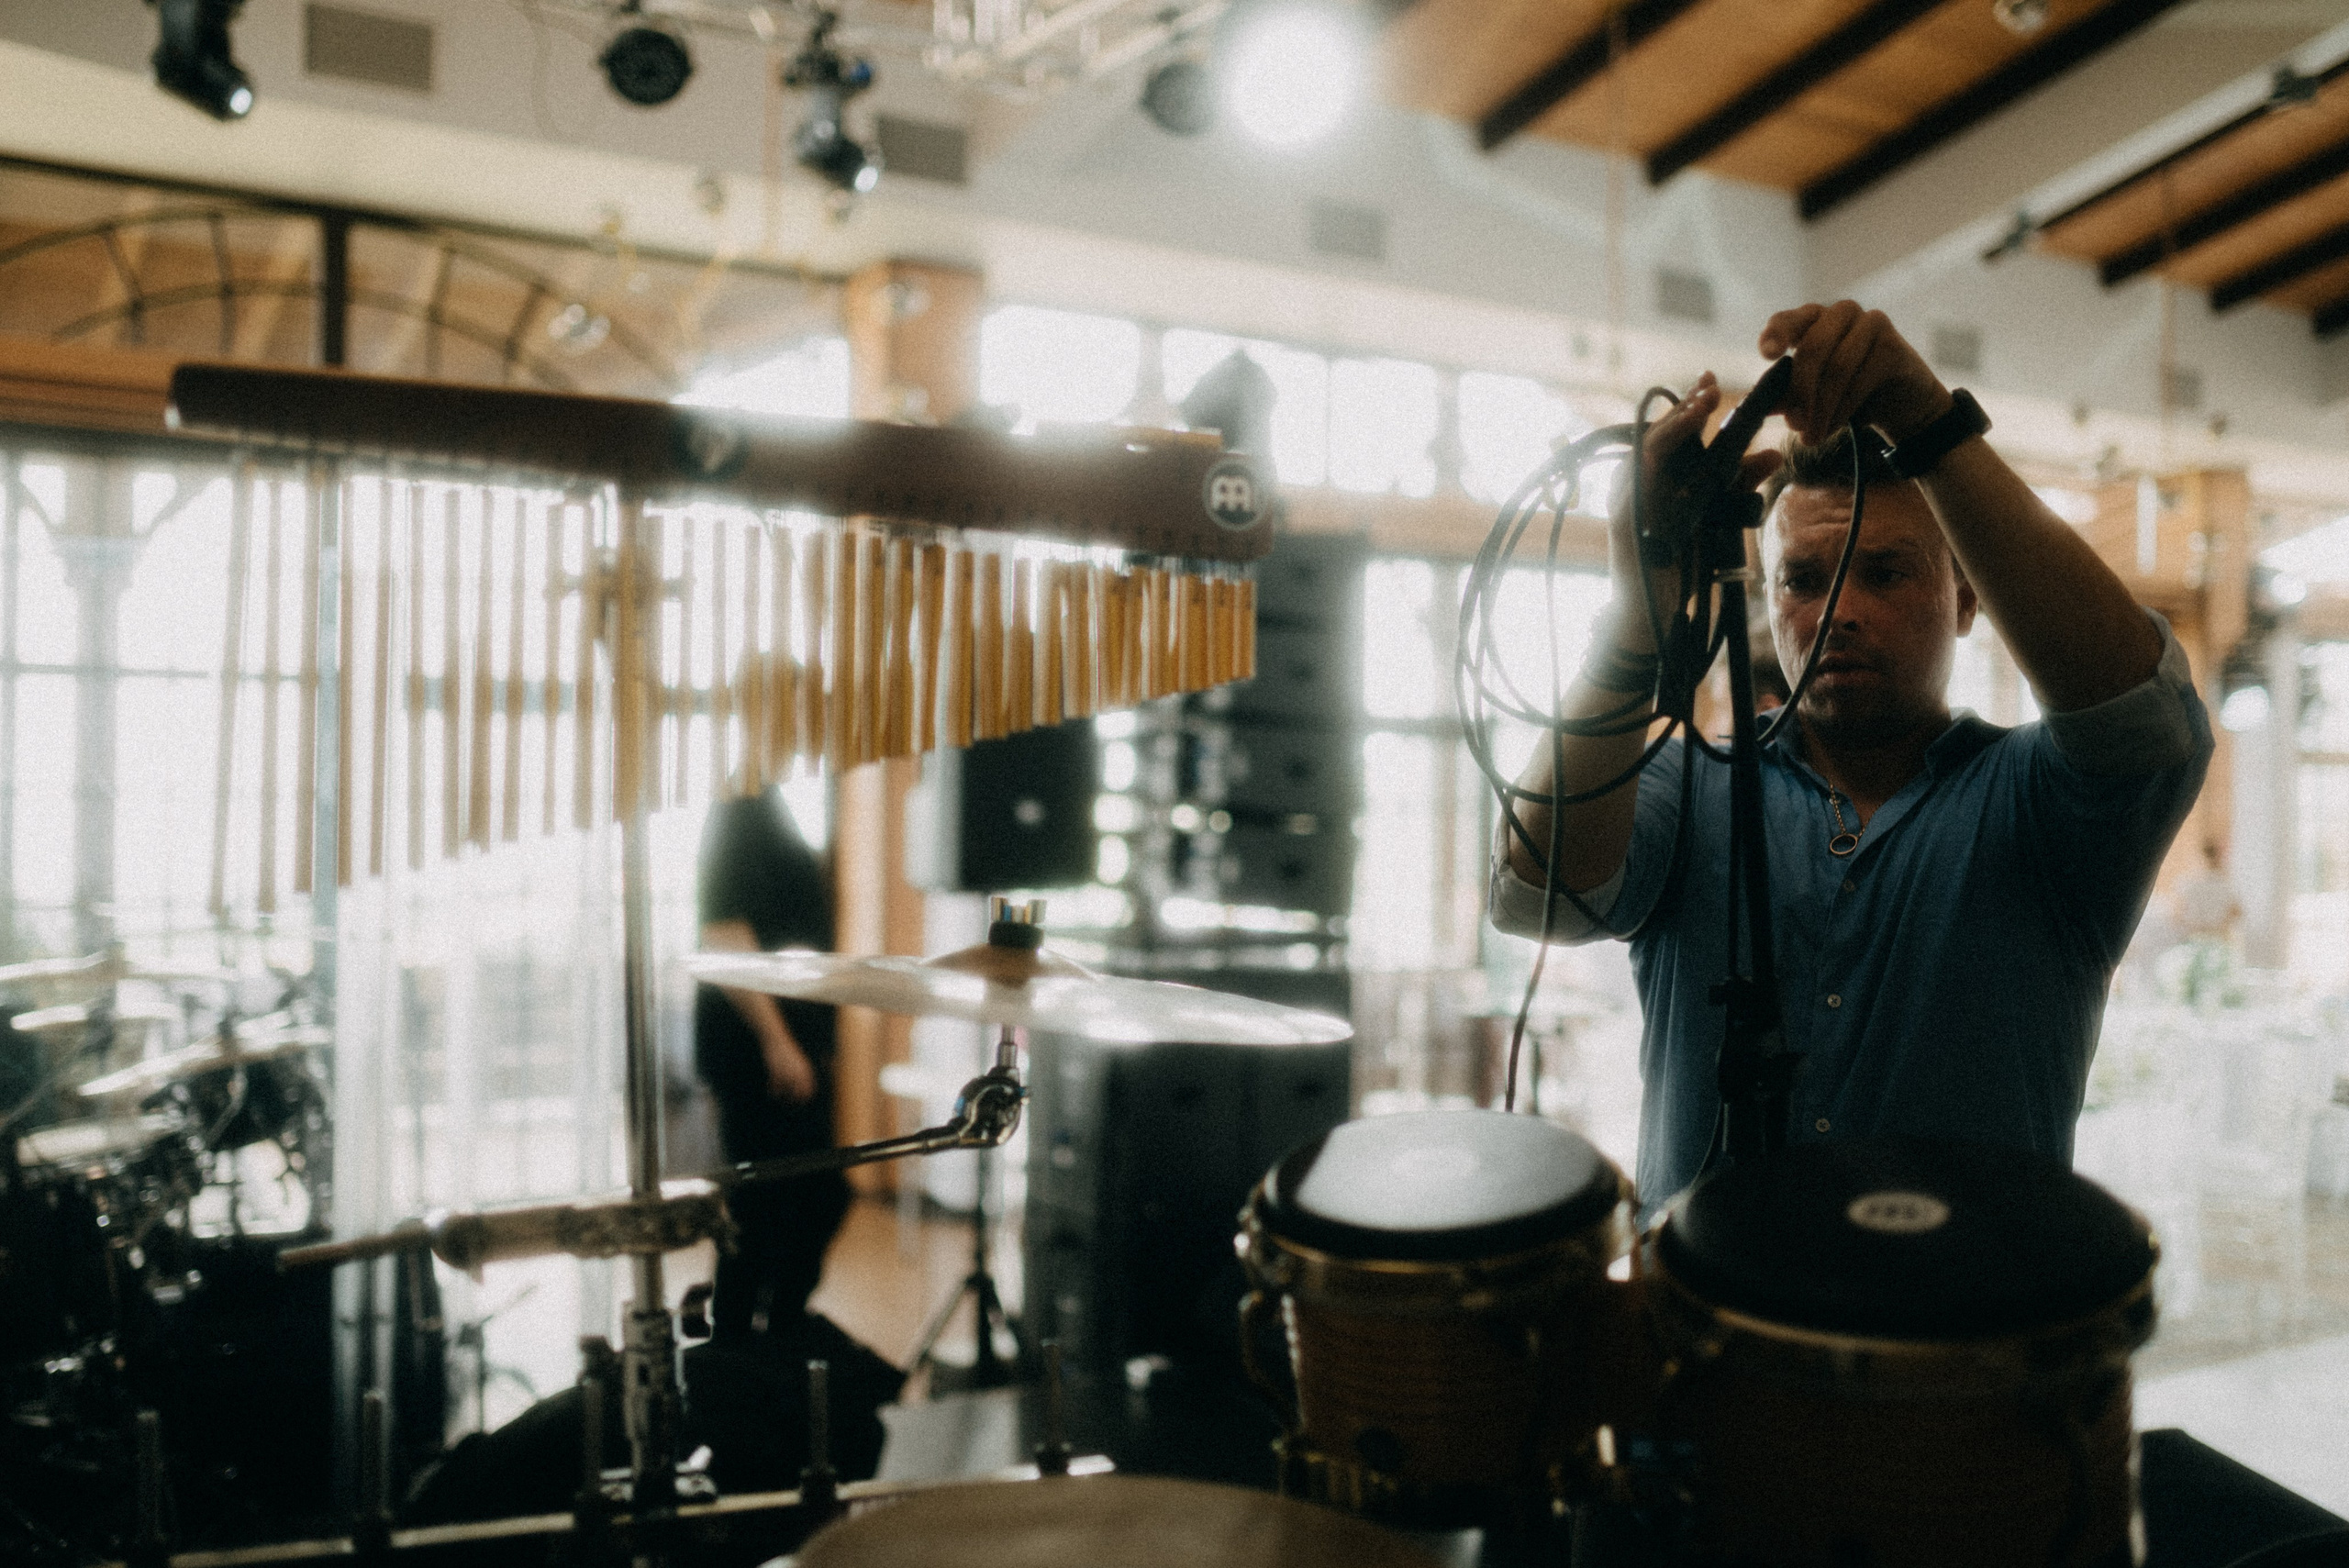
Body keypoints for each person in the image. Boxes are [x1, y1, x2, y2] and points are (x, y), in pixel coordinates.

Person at [1490, 301, 2213, 1208]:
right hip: (1711, 1326)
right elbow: (1535, 892)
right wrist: (1638, 619)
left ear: (1964, 599)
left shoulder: (2038, 801)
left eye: (1884, 572)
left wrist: (1927, 421)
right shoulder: (1692, 782)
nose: (1836, 612)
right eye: (1801, 579)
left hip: (1963, 1327)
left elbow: (2145, 721)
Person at [695, 789, 851, 1339]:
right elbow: (724, 936)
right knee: (775, 1202)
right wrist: (778, 1041)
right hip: (758, 1052)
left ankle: (766, 1334)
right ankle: (740, 1342)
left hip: (787, 1047)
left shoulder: (774, 807)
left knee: (803, 1197)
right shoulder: (740, 806)